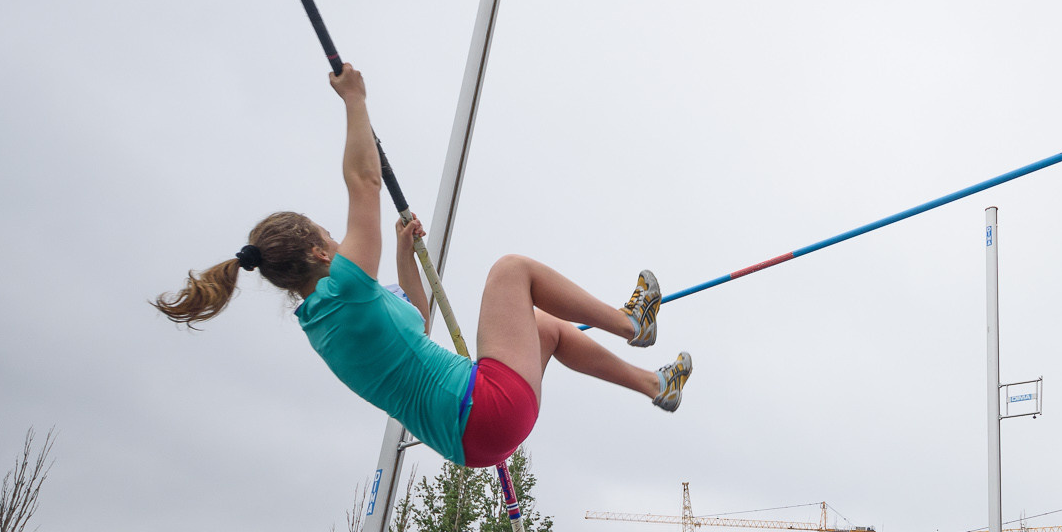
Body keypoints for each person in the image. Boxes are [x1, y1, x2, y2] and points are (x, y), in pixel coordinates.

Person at [154, 66, 691, 468]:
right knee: (511, 270)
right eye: (329, 235)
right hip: (483, 411)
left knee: (545, 328)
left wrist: (404, 254)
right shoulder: (343, 290)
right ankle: (631, 324)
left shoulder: (324, 321)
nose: (339, 240)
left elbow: (420, 317)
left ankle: (653, 384)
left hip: (475, 438)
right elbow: (364, 183)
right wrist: (355, 101)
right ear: (320, 254)